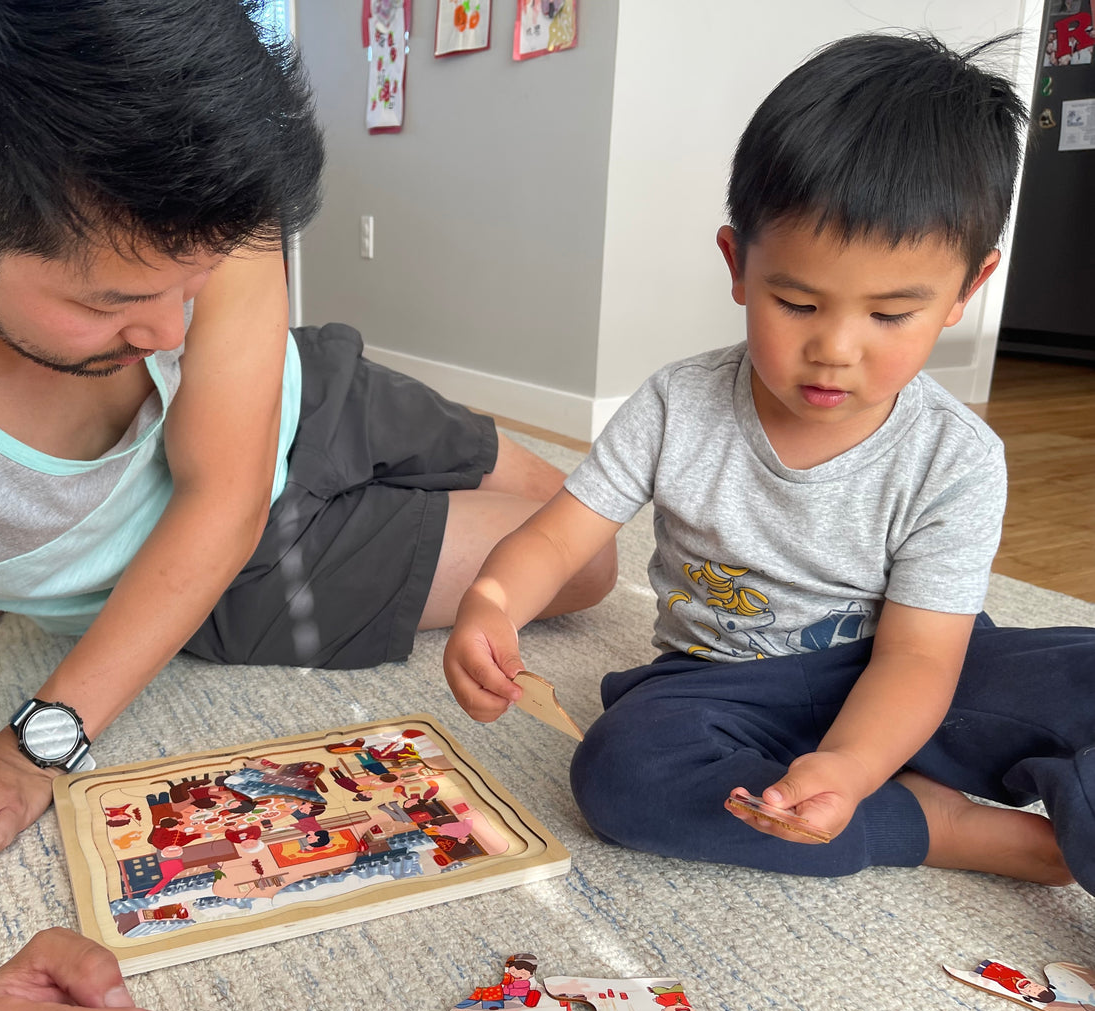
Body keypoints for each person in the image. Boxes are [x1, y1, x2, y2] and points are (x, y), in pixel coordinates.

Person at [0, 1, 616, 1011]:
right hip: (233, 569)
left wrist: (178, 294)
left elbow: (223, 451)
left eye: (201, 276)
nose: (173, 337)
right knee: (578, 572)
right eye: (110, 301)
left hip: (302, 387)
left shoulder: (197, 172)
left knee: (576, 518)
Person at [444, 33, 1095, 897]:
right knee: (623, 773)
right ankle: (939, 824)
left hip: (903, 670)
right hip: (722, 683)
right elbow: (558, 538)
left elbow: (919, 660)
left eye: (892, 314)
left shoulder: (956, 456)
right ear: (737, 266)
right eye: (796, 302)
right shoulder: (678, 404)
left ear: (964, 294)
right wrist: (491, 606)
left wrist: (855, 761)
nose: (833, 350)